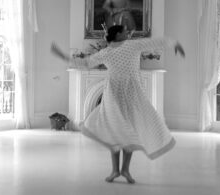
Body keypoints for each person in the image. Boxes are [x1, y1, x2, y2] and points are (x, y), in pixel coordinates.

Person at [50, 25, 185, 184]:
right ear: (118, 34)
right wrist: (62, 56)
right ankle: (115, 171)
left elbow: (155, 42)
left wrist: (174, 43)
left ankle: (125, 170)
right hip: (113, 95)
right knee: (114, 131)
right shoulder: (107, 52)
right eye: (125, 31)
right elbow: (85, 63)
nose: (128, 33)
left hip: (132, 95)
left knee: (129, 132)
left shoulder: (131, 46)